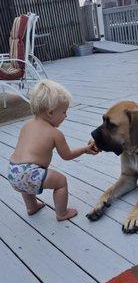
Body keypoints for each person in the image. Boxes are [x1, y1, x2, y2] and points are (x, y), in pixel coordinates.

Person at [8, 79, 99, 221]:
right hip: (30, 171)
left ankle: (31, 207)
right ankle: (62, 213)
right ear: (50, 113)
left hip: (13, 171)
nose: (66, 116)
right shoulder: (55, 133)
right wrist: (84, 150)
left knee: (26, 183)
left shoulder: (27, 125)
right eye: (63, 112)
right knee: (61, 181)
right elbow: (67, 155)